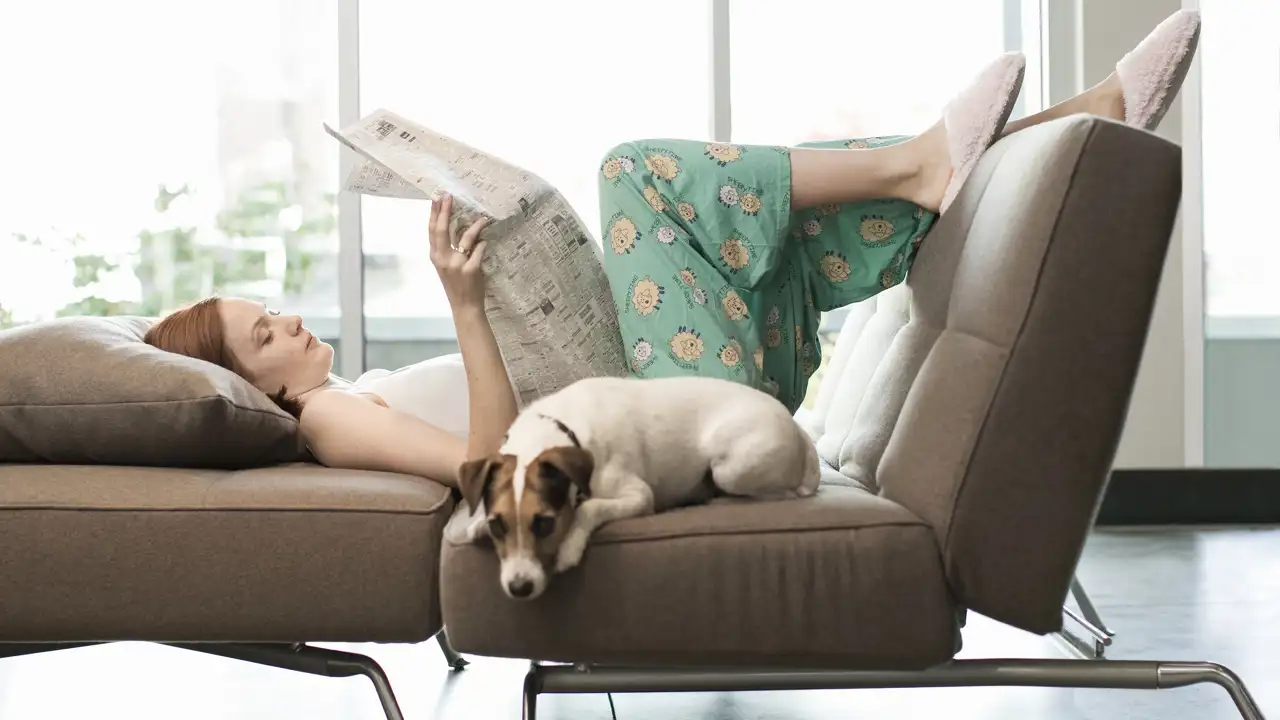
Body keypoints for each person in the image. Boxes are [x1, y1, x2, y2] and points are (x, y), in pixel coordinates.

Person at [143, 10, 1201, 488]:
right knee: (633, 174)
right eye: (259, 333)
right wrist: (466, 304)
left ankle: (1053, 126)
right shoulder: (327, 419)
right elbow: (480, 468)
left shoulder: (348, 393)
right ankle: (935, 161)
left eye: (265, 309)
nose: (284, 318)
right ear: (247, 382)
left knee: (768, 218)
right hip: (663, 419)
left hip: (674, 391)